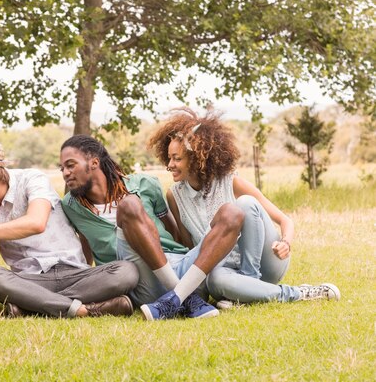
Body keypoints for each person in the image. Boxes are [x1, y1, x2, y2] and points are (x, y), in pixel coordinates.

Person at [146, 107, 341, 307]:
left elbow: (285, 220)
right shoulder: (174, 196)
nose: (170, 164)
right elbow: (192, 247)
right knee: (215, 281)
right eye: (169, 158)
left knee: (245, 204)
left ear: (196, 158)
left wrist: (286, 243)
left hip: (267, 263)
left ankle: (259, 282)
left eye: (177, 158)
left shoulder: (230, 181)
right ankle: (260, 294)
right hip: (224, 271)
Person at [59, 135, 255, 321]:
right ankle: (185, 299)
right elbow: (86, 249)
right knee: (129, 205)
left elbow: (173, 232)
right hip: (142, 282)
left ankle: (177, 297)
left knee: (232, 213)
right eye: (62, 169)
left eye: (70, 165)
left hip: (184, 271)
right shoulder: (71, 206)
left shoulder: (145, 184)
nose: (65, 173)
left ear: (94, 163)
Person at [0, 138, 138, 318]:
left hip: (74, 273)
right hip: (30, 280)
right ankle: (83, 310)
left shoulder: (32, 179)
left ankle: (31, 307)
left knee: (126, 271)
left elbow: (36, 223)